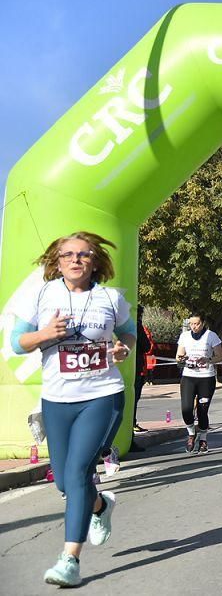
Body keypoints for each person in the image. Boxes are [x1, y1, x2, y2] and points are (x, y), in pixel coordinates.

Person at [10, 232, 135, 587]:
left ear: (94, 260)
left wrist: (122, 349)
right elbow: (17, 343)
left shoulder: (110, 298)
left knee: (79, 471)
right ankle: (100, 506)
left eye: (84, 254)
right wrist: (46, 333)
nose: (76, 260)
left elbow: (127, 335)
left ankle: (69, 560)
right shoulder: (40, 293)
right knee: (65, 481)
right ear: (57, 260)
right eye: (68, 254)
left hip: (102, 393)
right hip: (57, 399)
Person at [175, 312, 222, 454]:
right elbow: (178, 356)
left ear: (202, 323)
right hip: (189, 376)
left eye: (196, 323)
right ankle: (191, 434)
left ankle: (203, 439)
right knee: (186, 409)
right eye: (191, 324)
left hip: (206, 377)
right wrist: (182, 358)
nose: (194, 326)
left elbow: (219, 356)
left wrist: (207, 360)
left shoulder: (211, 336)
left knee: (203, 410)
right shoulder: (184, 336)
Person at [130, 306, 153, 442]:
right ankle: (131, 429)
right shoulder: (137, 325)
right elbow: (146, 346)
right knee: (133, 399)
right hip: (136, 367)